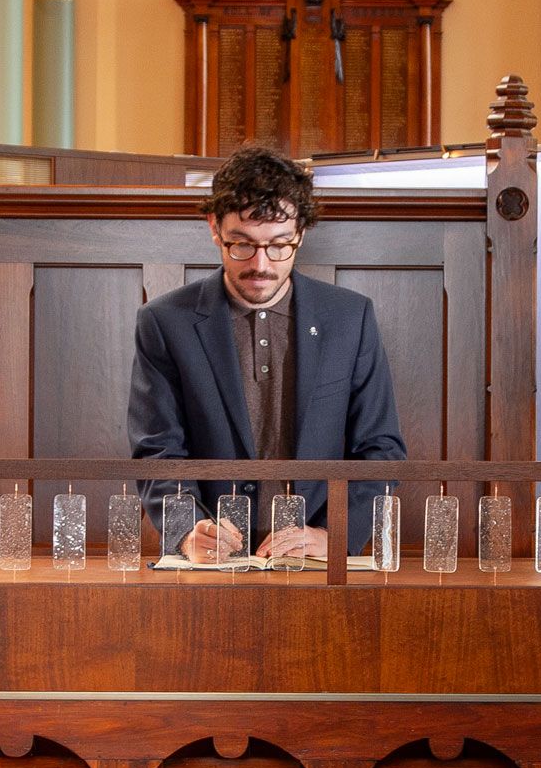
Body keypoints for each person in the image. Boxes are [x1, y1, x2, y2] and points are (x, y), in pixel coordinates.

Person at [129, 144, 405, 560]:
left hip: (314, 562)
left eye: (279, 245)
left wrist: (335, 535)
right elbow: (158, 451)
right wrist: (187, 530)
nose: (261, 263)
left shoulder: (351, 317)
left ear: (301, 233)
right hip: (213, 566)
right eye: (241, 244)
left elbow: (381, 450)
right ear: (213, 227)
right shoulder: (165, 322)